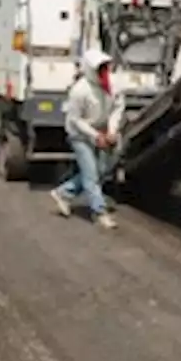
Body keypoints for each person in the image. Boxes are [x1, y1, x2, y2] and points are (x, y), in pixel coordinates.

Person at [50, 48, 125, 229]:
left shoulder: (114, 84)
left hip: (102, 128)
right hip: (80, 134)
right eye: (99, 68)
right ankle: (99, 212)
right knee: (91, 174)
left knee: (100, 171)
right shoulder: (80, 91)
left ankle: (63, 193)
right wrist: (95, 135)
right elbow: (76, 120)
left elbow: (118, 108)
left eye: (105, 66)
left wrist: (112, 130)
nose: (103, 71)